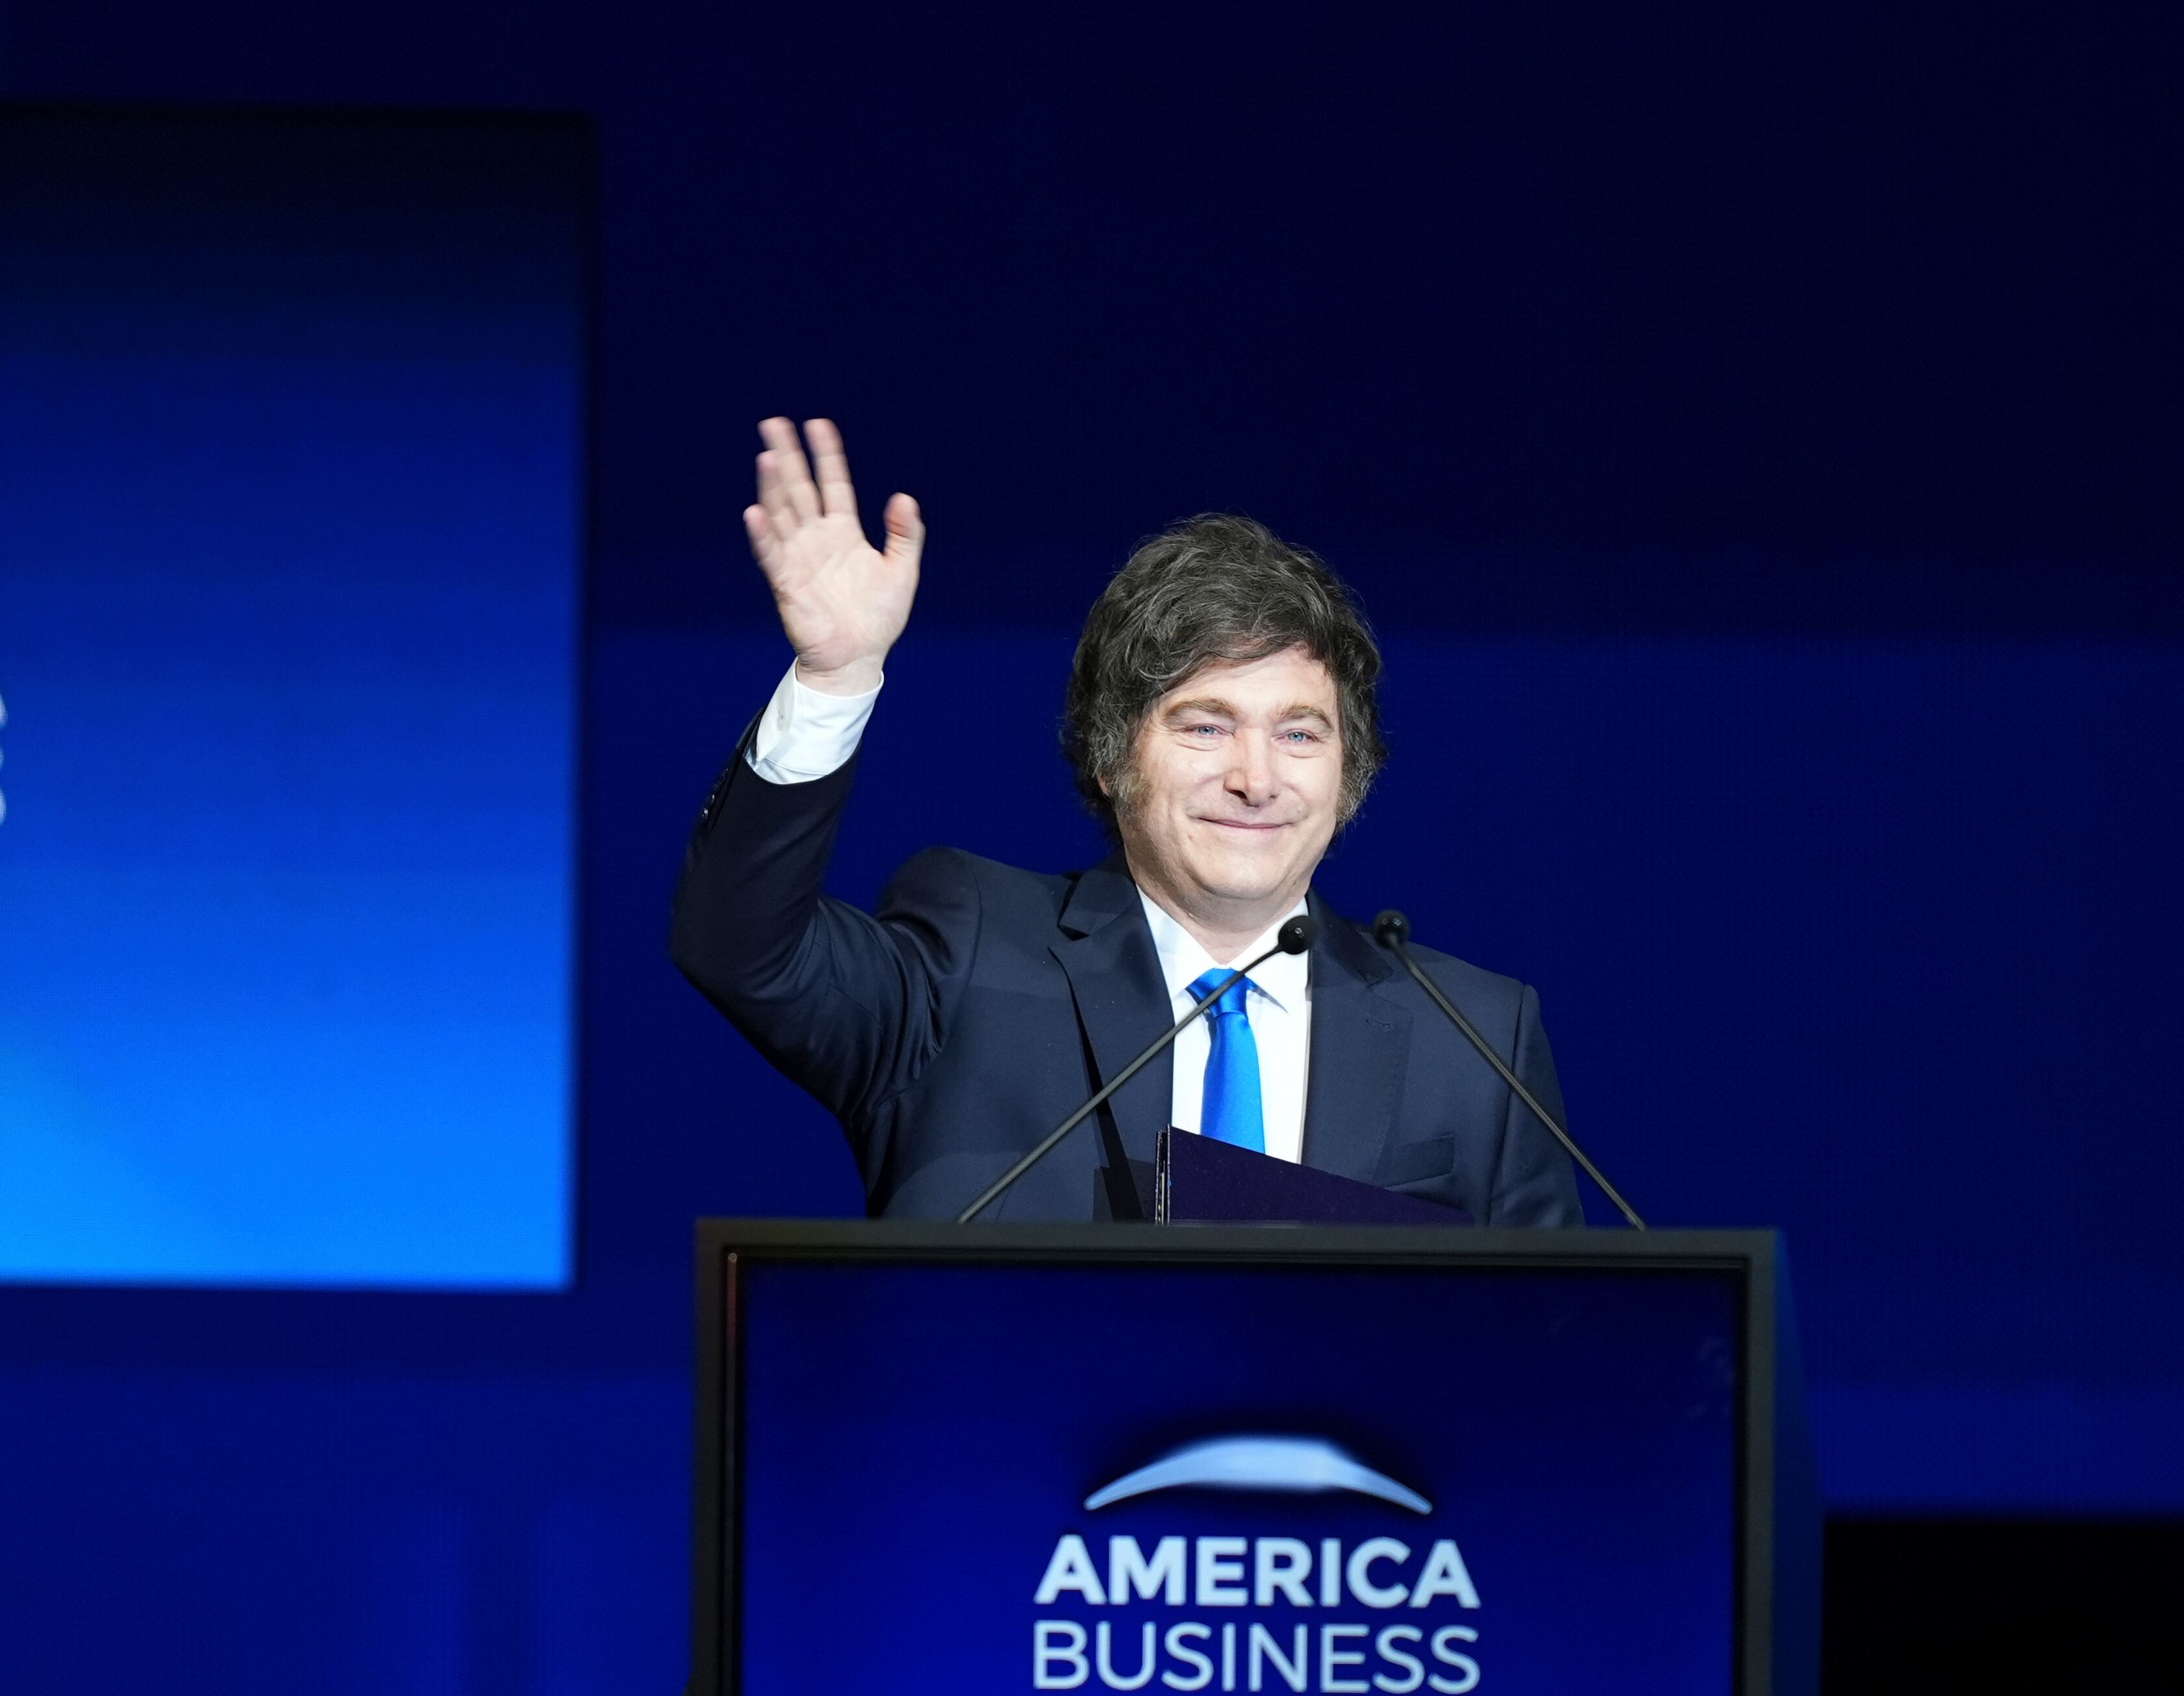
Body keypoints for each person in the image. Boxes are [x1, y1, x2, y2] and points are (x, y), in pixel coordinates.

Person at [670, 416, 1583, 1225]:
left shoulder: (1471, 1036)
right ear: (1111, 757)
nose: (1254, 778)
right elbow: (739, 945)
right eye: (1204, 725)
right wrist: (834, 680)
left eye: (1299, 732)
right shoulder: (970, 958)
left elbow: (1557, 1349)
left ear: (1350, 772)